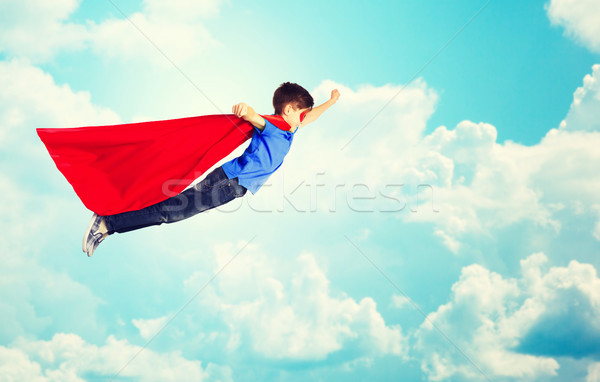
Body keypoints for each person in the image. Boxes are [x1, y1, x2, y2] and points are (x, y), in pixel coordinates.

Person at [83, 82, 340, 256]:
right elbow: (253, 116)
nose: (305, 118)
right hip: (228, 183)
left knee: (170, 210)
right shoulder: (274, 126)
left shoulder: (290, 129)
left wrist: (331, 103)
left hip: (230, 183)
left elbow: (312, 116)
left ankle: (111, 221)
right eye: (302, 113)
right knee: (169, 213)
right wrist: (244, 109)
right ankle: (108, 222)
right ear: (289, 110)